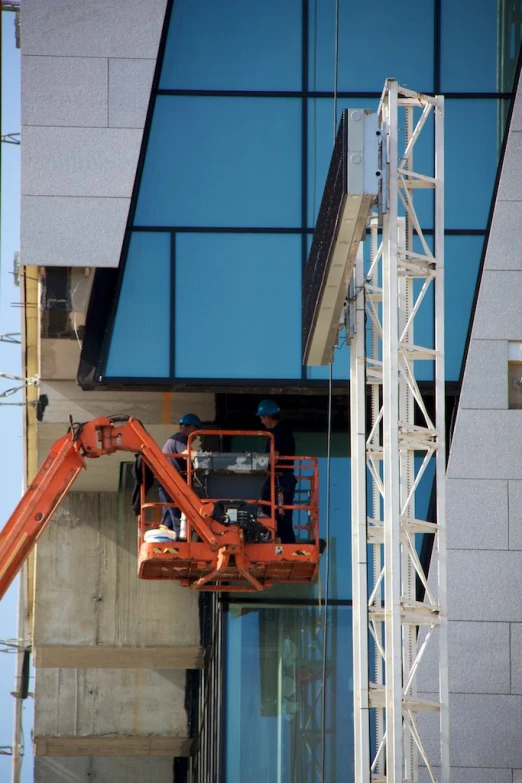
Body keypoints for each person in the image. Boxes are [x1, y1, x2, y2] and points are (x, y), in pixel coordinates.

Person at [256, 399, 297, 544]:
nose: (262, 422)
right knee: (281, 514)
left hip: (280, 479)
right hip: (283, 479)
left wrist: (259, 462)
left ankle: (282, 542)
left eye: (262, 418)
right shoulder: (281, 431)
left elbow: (275, 457)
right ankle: (283, 541)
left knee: (274, 512)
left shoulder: (278, 433)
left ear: (267, 416)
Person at [159, 413, 203, 537]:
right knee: (177, 516)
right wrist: (204, 457)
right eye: (196, 435)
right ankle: (178, 544)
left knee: (168, 518)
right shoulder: (181, 439)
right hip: (174, 486)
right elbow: (188, 454)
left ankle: (166, 543)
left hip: (167, 485)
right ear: (192, 429)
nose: (194, 439)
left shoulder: (173, 439)